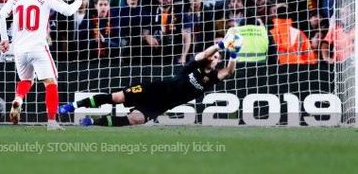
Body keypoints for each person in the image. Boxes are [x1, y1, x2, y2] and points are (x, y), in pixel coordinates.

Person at [59, 31, 240, 127]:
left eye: (218, 58)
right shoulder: (196, 64)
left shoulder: (214, 77)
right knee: (116, 97)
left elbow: (229, 72)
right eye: (215, 57)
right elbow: (206, 52)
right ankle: (73, 106)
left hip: (162, 105)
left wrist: (234, 54)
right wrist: (222, 45)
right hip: (155, 88)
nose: (215, 58)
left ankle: (92, 122)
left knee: (135, 120)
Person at [0, 0, 88, 130]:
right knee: (50, 82)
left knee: (26, 80)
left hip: (19, 49)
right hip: (38, 47)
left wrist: (4, 38)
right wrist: (79, 0)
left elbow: (0, 16)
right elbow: (68, 11)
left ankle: (18, 99)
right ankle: (52, 122)